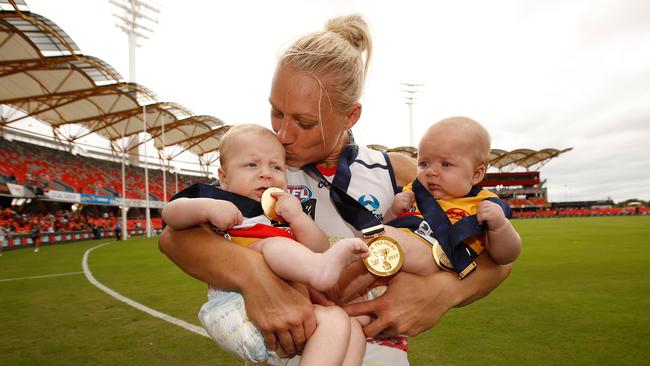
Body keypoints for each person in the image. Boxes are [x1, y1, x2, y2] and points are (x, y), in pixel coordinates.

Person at [159, 14, 511, 365]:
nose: (283, 133)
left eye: (304, 122)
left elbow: (497, 258)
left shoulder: (398, 171)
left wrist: (445, 291)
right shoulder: (262, 166)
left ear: (350, 116)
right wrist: (253, 277)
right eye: (276, 111)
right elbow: (174, 238)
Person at [162, 124, 368, 366]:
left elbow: (319, 249)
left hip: (289, 315)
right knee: (273, 247)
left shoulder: (281, 213)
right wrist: (206, 207)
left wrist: (299, 218)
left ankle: (320, 272)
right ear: (224, 177)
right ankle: (319, 271)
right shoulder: (219, 199)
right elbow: (170, 215)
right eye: (252, 165)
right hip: (236, 310)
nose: (266, 173)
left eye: (276, 167)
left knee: (349, 328)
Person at [331, 117, 522, 304]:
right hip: (398, 264)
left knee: (375, 241)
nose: (431, 171)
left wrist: (499, 226)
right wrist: (394, 211)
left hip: (437, 257)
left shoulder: (484, 204)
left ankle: (332, 293)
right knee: (361, 300)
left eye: (445, 164)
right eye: (423, 163)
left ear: (476, 173)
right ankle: (345, 306)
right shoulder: (414, 192)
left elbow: (506, 256)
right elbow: (389, 224)